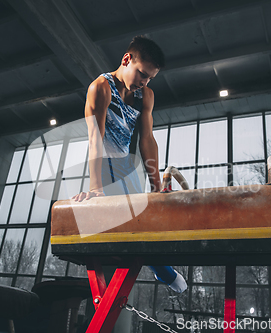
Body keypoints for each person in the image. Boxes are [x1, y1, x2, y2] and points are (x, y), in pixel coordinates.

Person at [72, 36, 187, 293]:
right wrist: (95, 188)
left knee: (146, 221)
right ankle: (165, 273)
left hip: (128, 167)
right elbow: (95, 139)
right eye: (142, 74)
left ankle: (163, 271)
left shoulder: (145, 95)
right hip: (105, 164)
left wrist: (157, 186)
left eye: (149, 78)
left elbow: (147, 140)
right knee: (130, 225)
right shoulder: (100, 88)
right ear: (127, 60)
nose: (144, 82)